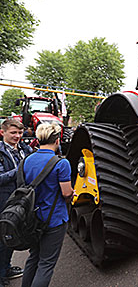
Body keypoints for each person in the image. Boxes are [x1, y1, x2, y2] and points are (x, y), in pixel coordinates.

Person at [21, 123, 73, 287]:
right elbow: (66, 193)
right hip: (54, 219)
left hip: (32, 219)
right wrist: (73, 192)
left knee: (34, 257)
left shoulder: (26, 161)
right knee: (46, 264)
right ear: (57, 140)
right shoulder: (61, 163)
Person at [0, 119, 33, 287]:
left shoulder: (24, 149)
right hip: (4, 201)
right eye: (13, 133)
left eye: (20, 133)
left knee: (12, 235)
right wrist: (20, 168)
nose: (17, 136)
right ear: (2, 133)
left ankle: (5, 268)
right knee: (2, 237)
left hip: (20, 200)